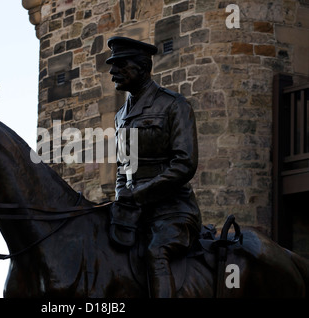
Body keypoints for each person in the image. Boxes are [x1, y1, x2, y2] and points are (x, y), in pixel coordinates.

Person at [106, 36, 202, 298]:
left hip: (173, 211)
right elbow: (122, 167)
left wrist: (138, 194)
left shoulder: (174, 105)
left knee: (156, 252)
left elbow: (185, 164)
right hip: (134, 214)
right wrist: (120, 199)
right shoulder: (120, 116)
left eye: (120, 64)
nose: (113, 71)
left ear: (142, 67)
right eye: (112, 65)